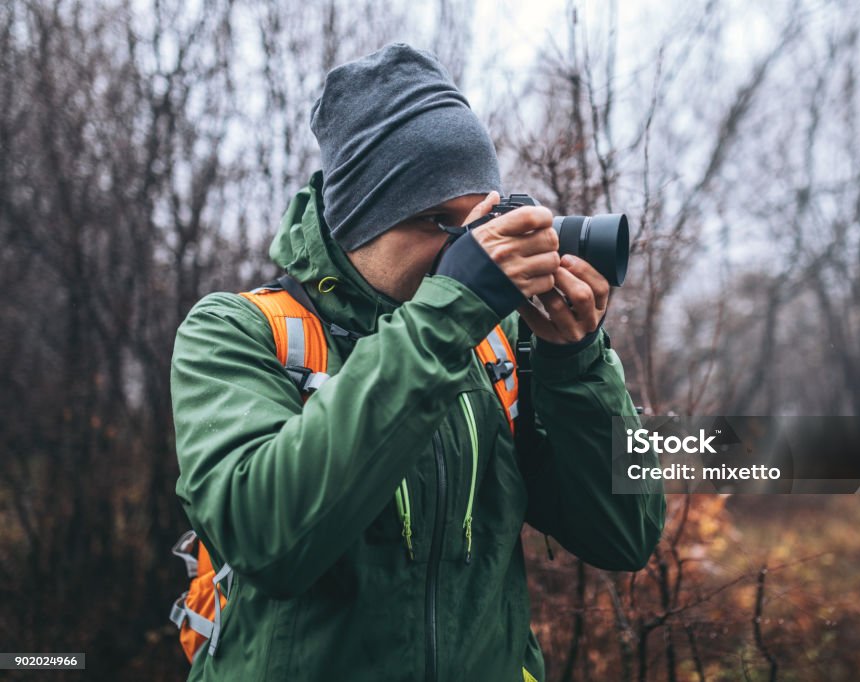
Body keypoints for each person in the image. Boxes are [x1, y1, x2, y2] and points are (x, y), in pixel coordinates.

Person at [170, 42, 664, 682]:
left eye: (479, 220)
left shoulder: (496, 348)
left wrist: (576, 362)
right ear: (356, 222)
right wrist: (449, 312)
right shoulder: (238, 331)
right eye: (436, 219)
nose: (465, 250)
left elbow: (623, 536)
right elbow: (267, 540)